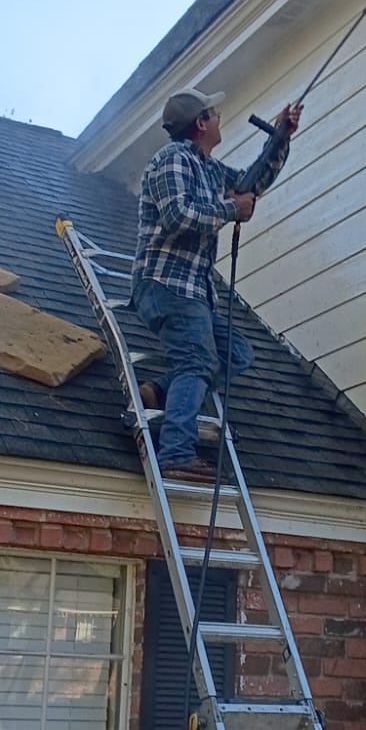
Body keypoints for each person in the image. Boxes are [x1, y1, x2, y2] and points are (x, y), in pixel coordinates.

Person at [131, 85, 301, 483]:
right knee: (197, 361)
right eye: (214, 112)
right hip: (166, 285)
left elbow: (249, 184)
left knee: (236, 355)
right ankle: (176, 453)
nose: (220, 117)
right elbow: (178, 216)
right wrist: (230, 209)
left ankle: (159, 390)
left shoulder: (207, 167)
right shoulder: (172, 160)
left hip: (192, 290)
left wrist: (280, 139)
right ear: (200, 123)